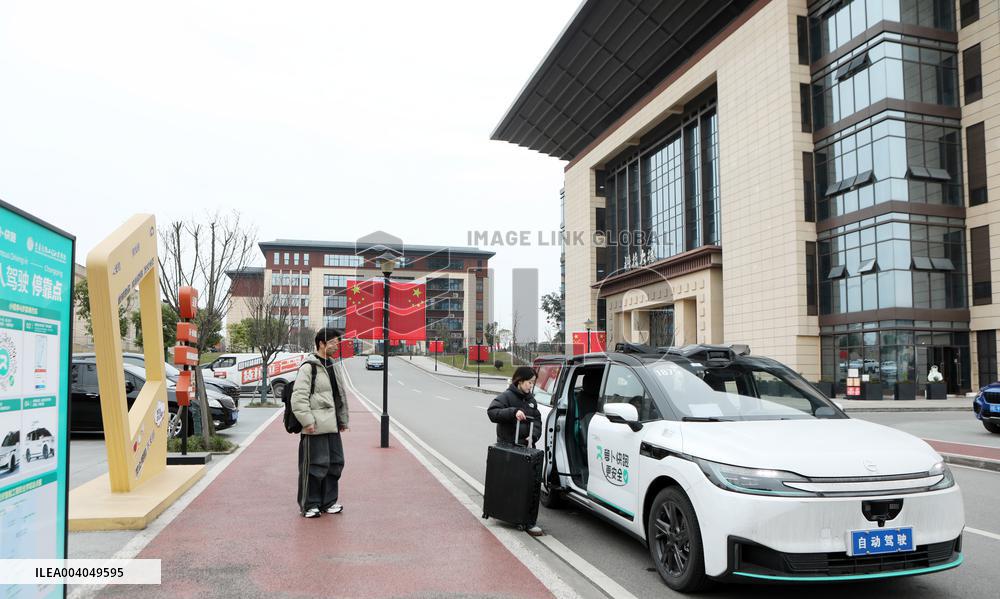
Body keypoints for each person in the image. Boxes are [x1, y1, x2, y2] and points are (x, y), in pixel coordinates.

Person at [291, 327, 350, 518]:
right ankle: (310, 504)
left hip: (332, 425)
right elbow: (298, 397)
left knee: (335, 464)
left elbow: (338, 396)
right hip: (314, 426)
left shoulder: (333, 365)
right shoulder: (309, 367)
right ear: (321, 344)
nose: (336, 346)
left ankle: (328, 502)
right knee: (315, 466)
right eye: (333, 342)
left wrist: (342, 420)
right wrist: (307, 421)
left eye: (337, 342)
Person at [487, 365, 543, 536]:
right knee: (508, 483)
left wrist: (533, 436)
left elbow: (538, 421)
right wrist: (513, 412)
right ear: (519, 381)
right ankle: (504, 512)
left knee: (527, 484)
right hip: (508, 447)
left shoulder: (531, 400)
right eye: (528, 382)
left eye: (533, 383)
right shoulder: (506, 397)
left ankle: (525, 519)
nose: (530, 386)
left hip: (525, 449)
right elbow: (492, 413)